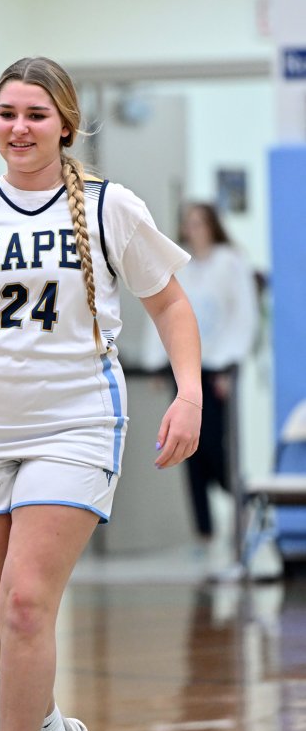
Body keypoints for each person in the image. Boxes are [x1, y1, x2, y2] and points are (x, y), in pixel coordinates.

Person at [0, 57, 202, 731]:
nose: (20, 127)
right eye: (8, 113)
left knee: (28, 603)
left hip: (76, 423)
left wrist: (189, 394)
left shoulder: (108, 206)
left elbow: (170, 304)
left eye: (36, 114)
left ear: (66, 123)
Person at [142, 202, 258, 545]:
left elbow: (243, 315)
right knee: (185, 452)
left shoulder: (231, 263)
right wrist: (157, 362)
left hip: (217, 371)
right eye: (187, 222)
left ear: (212, 224)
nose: (192, 228)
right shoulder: (182, 266)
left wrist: (228, 364)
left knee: (211, 446)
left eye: (198, 222)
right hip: (184, 367)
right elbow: (164, 309)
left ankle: (244, 502)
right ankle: (204, 531)